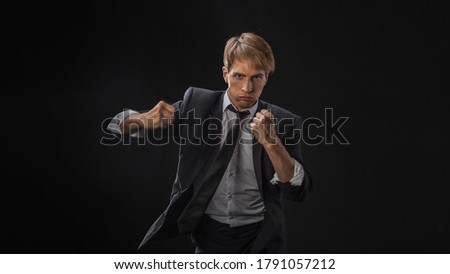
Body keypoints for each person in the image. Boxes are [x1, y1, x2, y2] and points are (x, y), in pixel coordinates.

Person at [106, 32, 312, 253]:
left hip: (261, 241)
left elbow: (299, 191)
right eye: (239, 76)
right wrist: (143, 119)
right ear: (225, 74)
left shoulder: (284, 121)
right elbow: (114, 126)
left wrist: (272, 144)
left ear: (267, 77)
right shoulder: (197, 104)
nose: (247, 88)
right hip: (208, 239)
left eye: (256, 77)